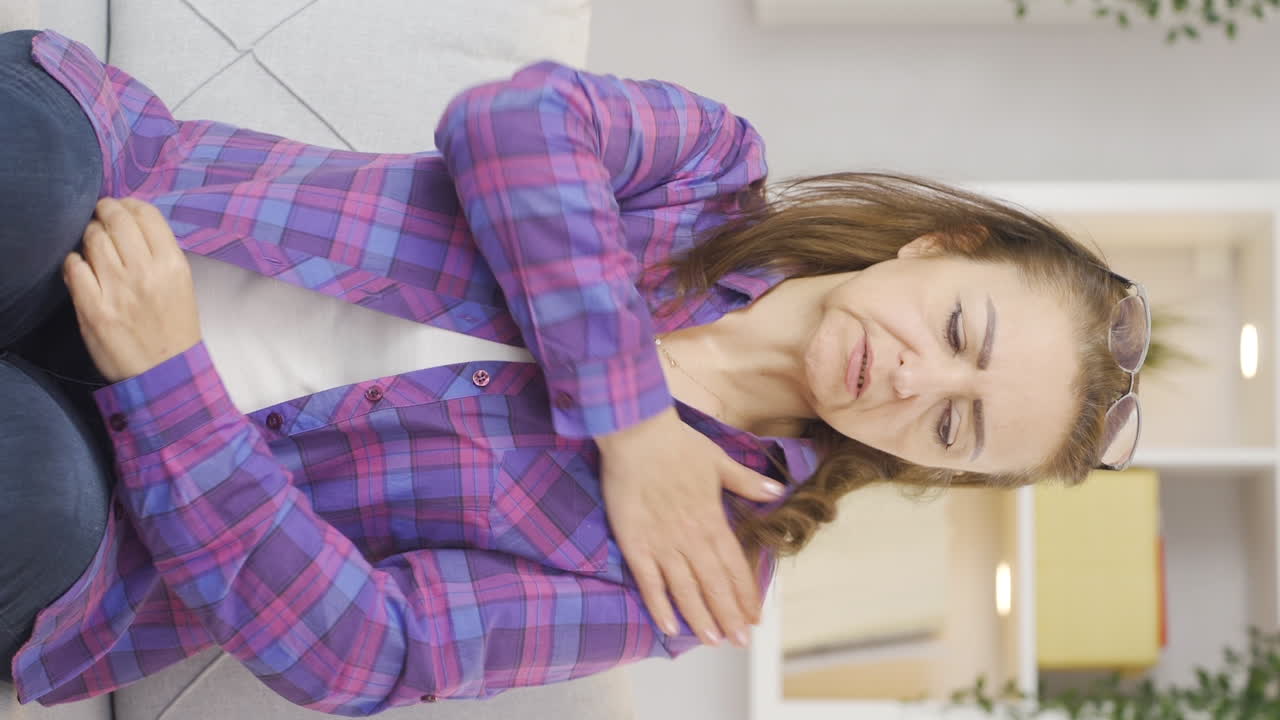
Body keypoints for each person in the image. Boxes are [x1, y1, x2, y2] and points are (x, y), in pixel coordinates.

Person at [0, 28, 1147, 715]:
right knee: (36, 167)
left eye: (951, 426)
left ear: (926, 470)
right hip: (131, 203)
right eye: (957, 334)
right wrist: (628, 418)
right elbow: (514, 122)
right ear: (936, 247)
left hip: (112, 519)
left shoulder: (699, 575)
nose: (910, 381)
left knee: (37, 484)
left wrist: (169, 387)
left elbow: (366, 652)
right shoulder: (709, 175)